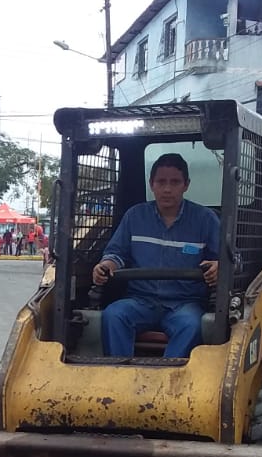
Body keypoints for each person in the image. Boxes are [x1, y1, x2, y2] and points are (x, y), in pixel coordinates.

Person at [92, 153, 221, 358]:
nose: (167, 189)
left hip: (185, 303)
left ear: (186, 185)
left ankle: (169, 375)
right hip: (140, 300)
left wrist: (218, 266)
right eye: (161, 182)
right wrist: (106, 265)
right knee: (114, 315)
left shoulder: (206, 219)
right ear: (151, 184)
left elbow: (225, 259)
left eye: (175, 182)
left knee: (191, 325)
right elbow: (116, 254)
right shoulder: (135, 216)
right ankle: (118, 370)